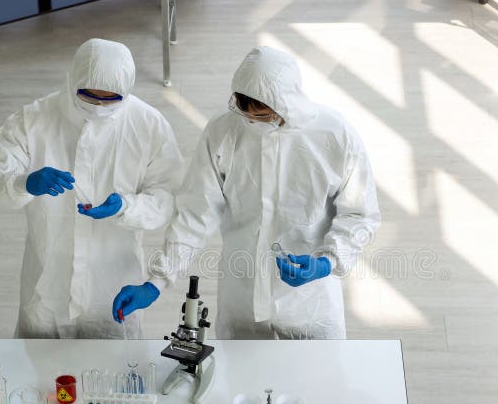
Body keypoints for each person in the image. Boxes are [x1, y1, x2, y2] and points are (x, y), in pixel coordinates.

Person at [112, 46, 380, 340]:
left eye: (262, 116)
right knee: (239, 369)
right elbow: (196, 214)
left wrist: (327, 261)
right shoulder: (223, 132)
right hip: (243, 298)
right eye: (245, 113)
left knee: (317, 369)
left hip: (309, 303)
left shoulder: (334, 136)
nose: (252, 122)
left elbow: (360, 213)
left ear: (286, 106)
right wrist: (157, 281)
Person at [0, 38, 186, 339]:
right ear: (73, 81)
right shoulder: (33, 121)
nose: (98, 107)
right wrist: (23, 183)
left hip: (113, 286)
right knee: (41, 364)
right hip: (48, 285)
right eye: (88, 96)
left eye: (109, 100)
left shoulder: (149, 126)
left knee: (114, 363)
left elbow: (169, 198)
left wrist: (126, 206)